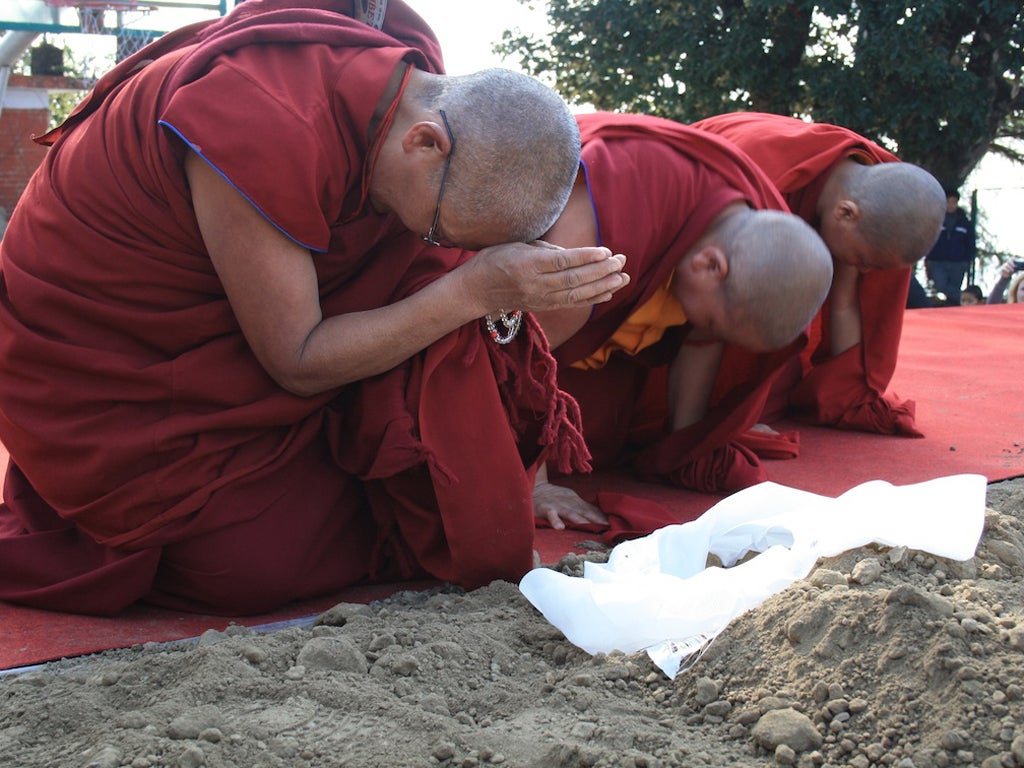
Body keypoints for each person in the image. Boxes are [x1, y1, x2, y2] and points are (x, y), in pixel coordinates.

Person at [0, 0, 629, 616]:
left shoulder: (408, 74)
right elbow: (297, 360)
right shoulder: (256, 116)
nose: (434, 249)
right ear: (425, 142)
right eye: (441, 230)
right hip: (114, 366)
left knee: (431, 470)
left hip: (247, 348)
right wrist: (473, 290)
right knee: (250, 569)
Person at [529, 112, 833, 524]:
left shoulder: (730, 231)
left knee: (598, 439)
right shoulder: (604, 222)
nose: (703, 332)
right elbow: (516, 343)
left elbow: (701, 339)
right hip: (503, 324)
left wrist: (683, 447)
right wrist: (536, 486)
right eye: (712, 323)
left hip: (582, 343)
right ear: (710, 265)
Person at [693, 111, 945, 437]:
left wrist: (847, 391)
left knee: (783, 385)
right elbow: (708, 294)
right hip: (706, 281)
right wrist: (724, 420)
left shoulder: (858, 200)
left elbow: (845, 299)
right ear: (845, 213)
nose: (866, 270)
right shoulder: (763, 176)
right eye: (864, 260)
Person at [925, 190, 977, 305]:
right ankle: (964, 298)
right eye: (948, 202)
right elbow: (928, 239)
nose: (950, 205)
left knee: (952, 292)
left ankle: (953, 309)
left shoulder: (964, 223)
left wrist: (968, 259)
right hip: (937, 261)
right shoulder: (935, 220)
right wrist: (928, 257)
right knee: (941, 286)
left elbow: (970, 242)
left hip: (958, 263)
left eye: (953, 202)